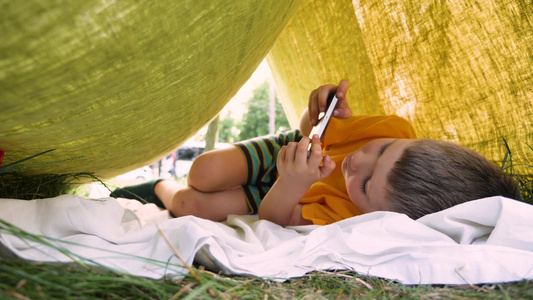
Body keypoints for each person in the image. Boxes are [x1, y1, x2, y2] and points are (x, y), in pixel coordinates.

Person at [111, 80, 520, 226]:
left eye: (365, 182)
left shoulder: (354, 219)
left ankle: (156, 186)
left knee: (189, 203)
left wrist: (291, 183)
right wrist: (320, 112)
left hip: (287, 192)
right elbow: (312, 132)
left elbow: (273, 219)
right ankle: (180, 180)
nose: (357, 162)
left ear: (376, 211)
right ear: (408, 140)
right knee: (204, 170)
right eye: (381, 151)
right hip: (288, 151)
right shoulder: (395, 128)